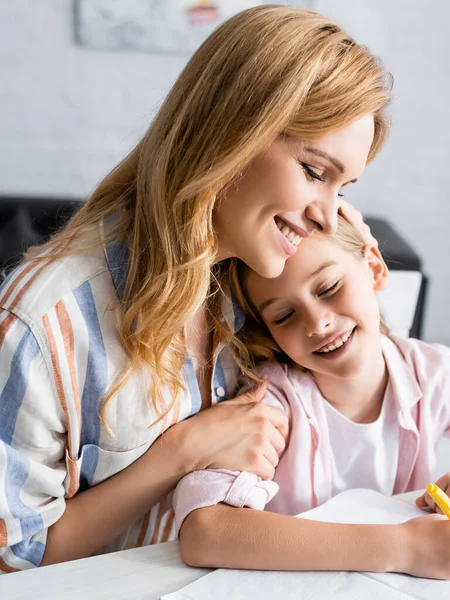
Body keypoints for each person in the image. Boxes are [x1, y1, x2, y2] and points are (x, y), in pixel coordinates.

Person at [0, 6, 392, 572]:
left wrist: (360, 273)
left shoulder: (261, 271)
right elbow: (15, 559)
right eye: (314, 171)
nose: (331, 217)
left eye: (344, 186)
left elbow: (364, 374)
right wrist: (182, 452)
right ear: (231, 134)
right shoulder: (42, 324)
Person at [173, 216, 450, 580]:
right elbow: (204, 533)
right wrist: (400, 547)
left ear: (374, 269)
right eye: (284, 315)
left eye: (328, 288)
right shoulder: (272, 403)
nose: (318, 323)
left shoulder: (431, 374)